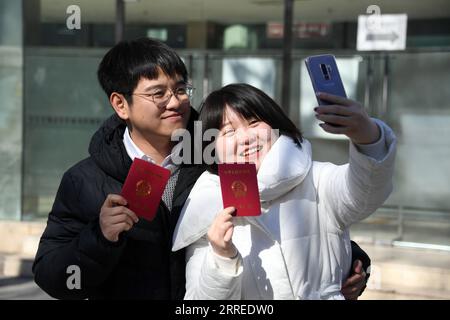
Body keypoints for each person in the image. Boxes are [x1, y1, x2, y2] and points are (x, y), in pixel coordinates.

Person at [172, 83, 396, 300]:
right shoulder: (204, 206)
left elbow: (366, 191)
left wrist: (367, 136)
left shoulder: (317, 180)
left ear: (276, 125)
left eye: (253, 122)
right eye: (229, 131)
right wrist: (221, 257)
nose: (245, 138)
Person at [32, 38, 205, 299]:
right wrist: (99, 237)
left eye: (180, 89)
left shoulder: (214, 164)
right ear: (120, 105)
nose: (174, 102)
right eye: (158, 93)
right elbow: (52, 276)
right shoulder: (83, 180)